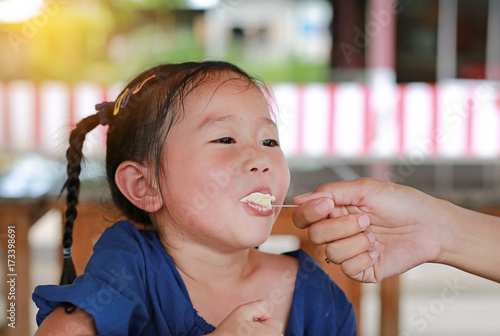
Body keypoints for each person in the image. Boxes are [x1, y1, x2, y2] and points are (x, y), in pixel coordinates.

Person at [32, 62, 356, 335]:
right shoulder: (130, 269)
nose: (261, 158)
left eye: (269, 141)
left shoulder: (318, 297)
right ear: (145, 185)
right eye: (225, 139)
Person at [292, 177, 500, 283]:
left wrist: (436, 229)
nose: (260, 164)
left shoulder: (319, 295)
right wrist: (434, 229)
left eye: (269, 142)